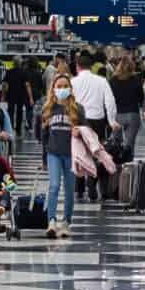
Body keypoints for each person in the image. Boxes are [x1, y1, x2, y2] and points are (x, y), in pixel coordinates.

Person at [38, 86, 79, 239]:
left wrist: (79, 131)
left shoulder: (76, 109)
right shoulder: (49, 109)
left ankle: (66, 222)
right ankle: (51, 221)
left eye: (65, 86)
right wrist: (44, 158)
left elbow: (87, 128)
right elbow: (43, 135)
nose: (62, 89)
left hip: (71, 154)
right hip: (53, 152)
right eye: (59, 86)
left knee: (69, 189)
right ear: (54, 89)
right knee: (54, 186)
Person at [70, 54, 116, 144]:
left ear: (77, 66)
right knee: (97, 149)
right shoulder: (102, 81)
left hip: (79, 120)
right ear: (91, 67)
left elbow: (68, 101)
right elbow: (110, 101)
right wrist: (111, 120)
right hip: (97, 120)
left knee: (80, 149)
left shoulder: (72, 81)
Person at [110, 58, 145, 160]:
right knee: (129, 145)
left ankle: (116, 166)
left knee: (116, 144)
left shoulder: (113, 80)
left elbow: (109, 99)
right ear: (132, 67)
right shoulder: (136, 80)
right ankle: (128, 167)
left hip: (117, 114)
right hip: (133, 114)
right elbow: (141, 98)